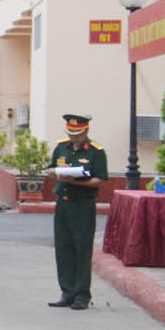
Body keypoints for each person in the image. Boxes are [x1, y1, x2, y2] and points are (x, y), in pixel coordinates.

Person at [47, 113, 108, 310]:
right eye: (71, 133)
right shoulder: (61, 147)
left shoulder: (96, 152)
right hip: (63, 203)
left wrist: (74, 180)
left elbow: (100, 179)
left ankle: (82, 294)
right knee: (63, 248)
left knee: (81, 249)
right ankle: (67, 291)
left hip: (82, 204)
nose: (74, 137)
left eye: (78, 134)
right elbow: (51, 169)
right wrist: (55, 172)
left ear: (86, 131)